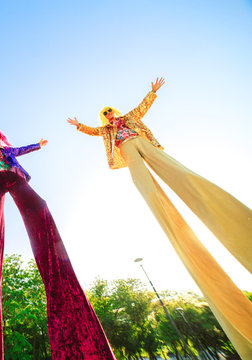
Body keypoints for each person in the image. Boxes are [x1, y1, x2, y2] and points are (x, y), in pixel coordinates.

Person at [68, 77, 252, 358]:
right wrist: (79, 126)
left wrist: (152, 92)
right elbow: (93, 131)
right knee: (146, 186)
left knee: (176, 172)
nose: (109, 115)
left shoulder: (128, 118)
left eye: (110, 111)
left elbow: (141, 109)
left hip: (142, 142)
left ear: (115, 111)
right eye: (105, 113)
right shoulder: (106, 130)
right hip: (128, 151)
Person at [0, 130, 115, 360]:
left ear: (1, 138)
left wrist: (38, 145)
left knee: (39, 204)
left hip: (13, 176)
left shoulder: (7, 151)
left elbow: (21, 150)